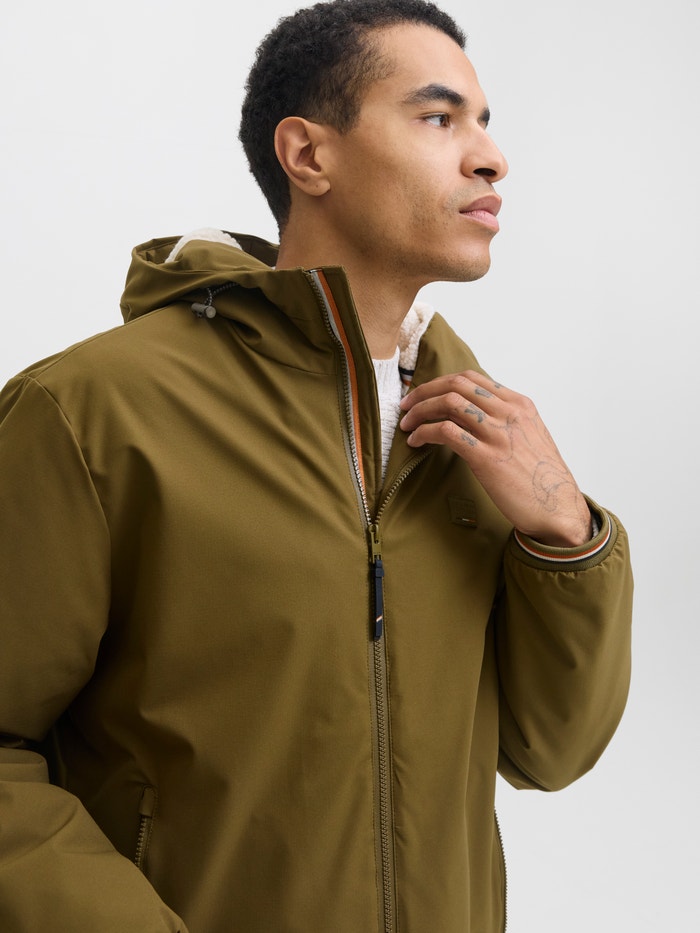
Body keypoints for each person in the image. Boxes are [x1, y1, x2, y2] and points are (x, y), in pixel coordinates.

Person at [0, 1, 633, 931]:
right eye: (438, 117)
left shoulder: (479, 436)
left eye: (485, 123)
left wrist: (566, 536)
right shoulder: (94, 411)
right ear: (308, 155)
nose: (491, 157)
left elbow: (551, 750)